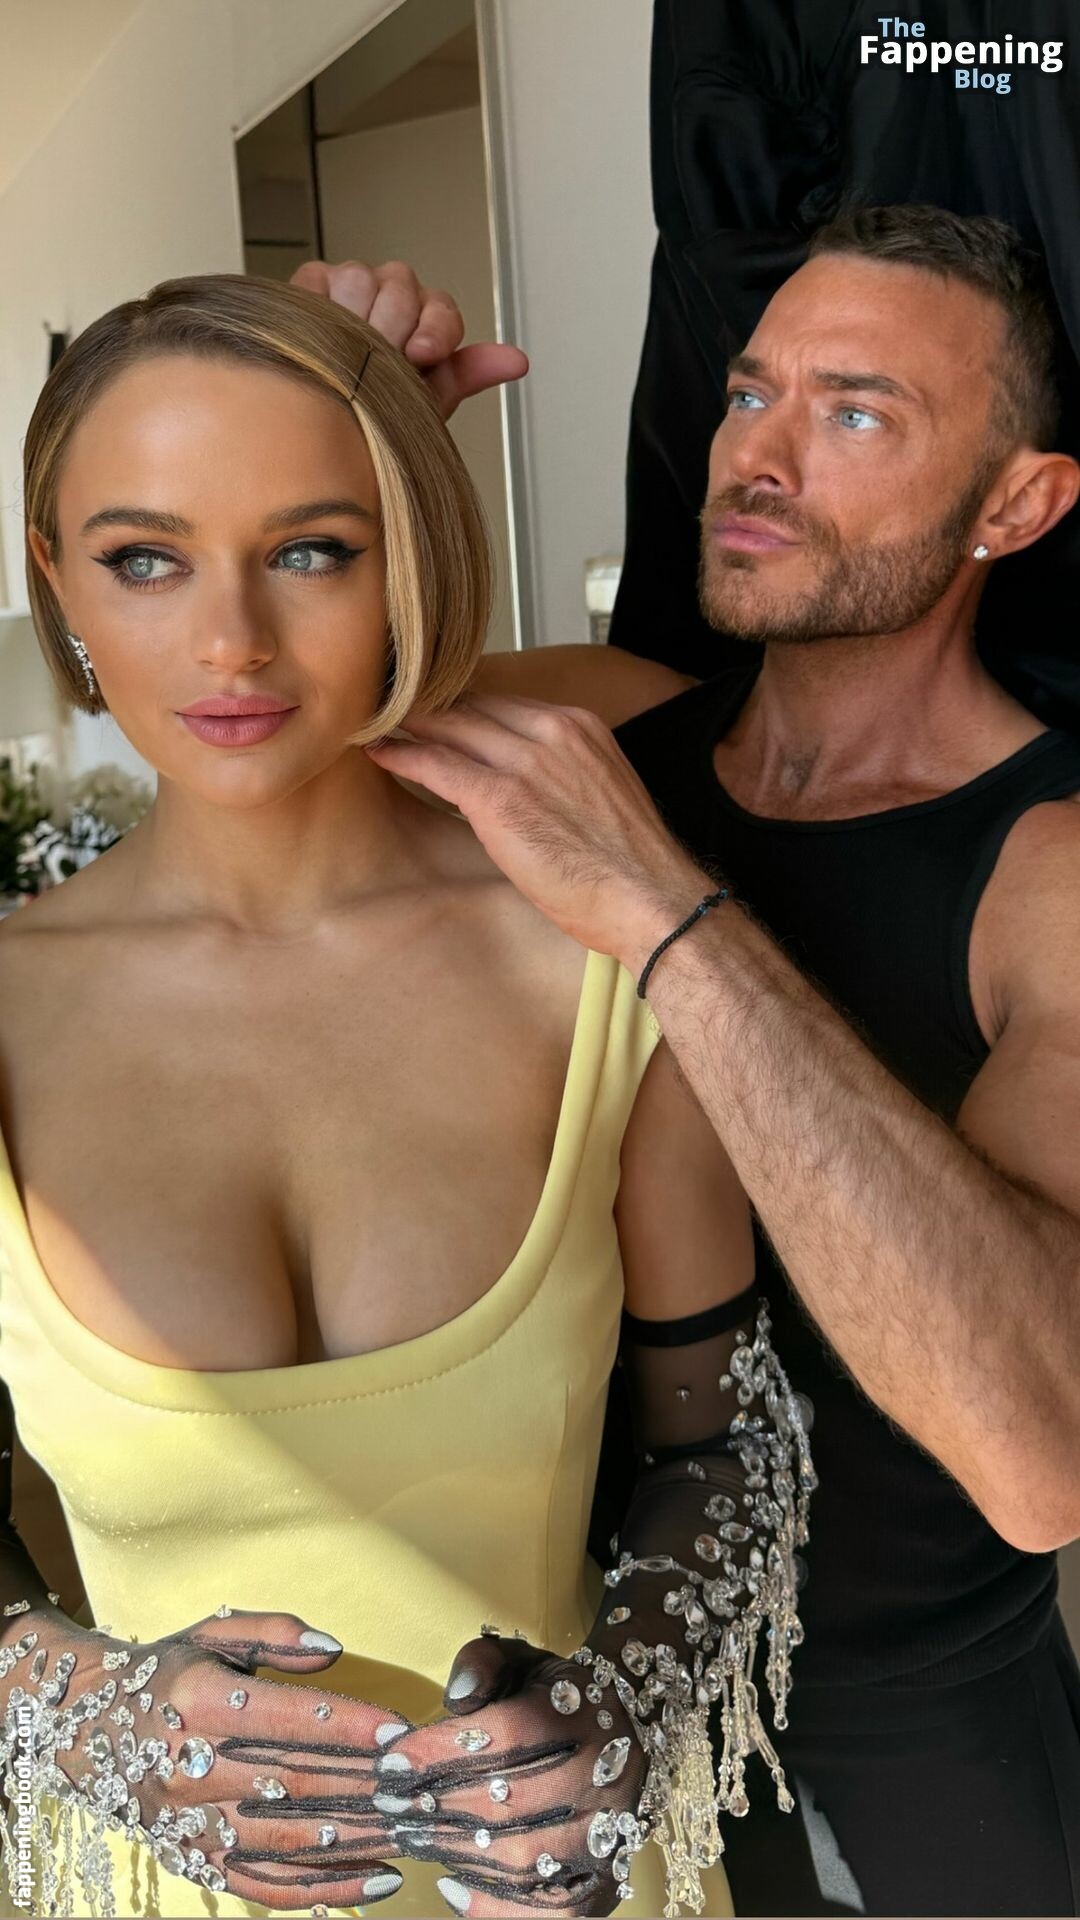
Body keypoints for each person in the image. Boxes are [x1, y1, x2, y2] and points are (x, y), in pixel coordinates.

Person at [0, 271, 816, 1919]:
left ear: (410, 565)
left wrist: (634, 1696)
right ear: (57, 581)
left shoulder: (596, 951)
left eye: (314, 549)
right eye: (145, 559)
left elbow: (728, 1441)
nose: (231, 641)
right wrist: (74, 1711)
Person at [349, 206, 1080, 1917]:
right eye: (753, 392)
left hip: (920, 1768)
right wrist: (362, 435)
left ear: (1016, 505)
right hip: (554, 1723)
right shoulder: (605, 730)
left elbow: (1039, 1453)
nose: (757, 452)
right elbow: (277, 703)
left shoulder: (1050, 872)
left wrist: (669, 914)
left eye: (856, 412)